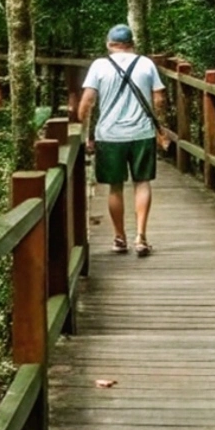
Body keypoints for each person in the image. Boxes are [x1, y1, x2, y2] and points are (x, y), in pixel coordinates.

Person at [77, 24, 170, 256]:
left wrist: (84, 129)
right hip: (142, 133)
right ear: (132, 44)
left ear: (109, 44)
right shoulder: (146, 63)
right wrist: (159, 123)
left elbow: (87, 101)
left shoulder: (99, 65)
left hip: (109, 135)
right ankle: (141, 236)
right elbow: (159, 98)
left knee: (115, 188)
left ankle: (119, 238)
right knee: (142, 182)